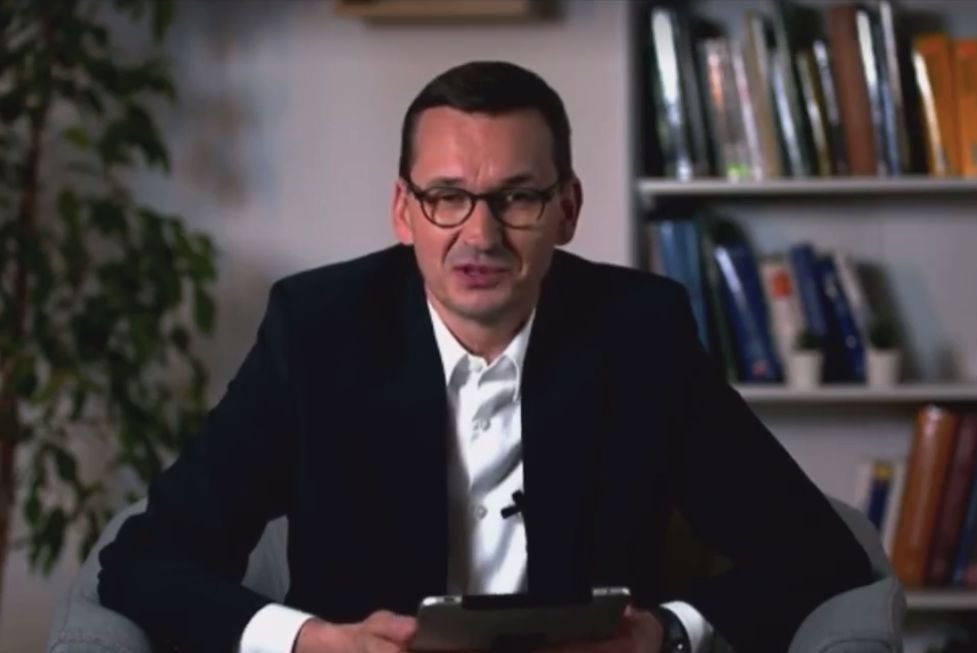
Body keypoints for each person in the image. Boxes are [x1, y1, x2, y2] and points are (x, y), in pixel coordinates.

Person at [97, 61, 874, 653]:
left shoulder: (642, 334)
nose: (480, 234)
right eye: (447, 197)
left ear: (567, 209)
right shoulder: (317, 331)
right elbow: (146, 559)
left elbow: (814, 551)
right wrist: (310, 640)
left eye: (517, 197)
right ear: (403, 211)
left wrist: (663, 632)